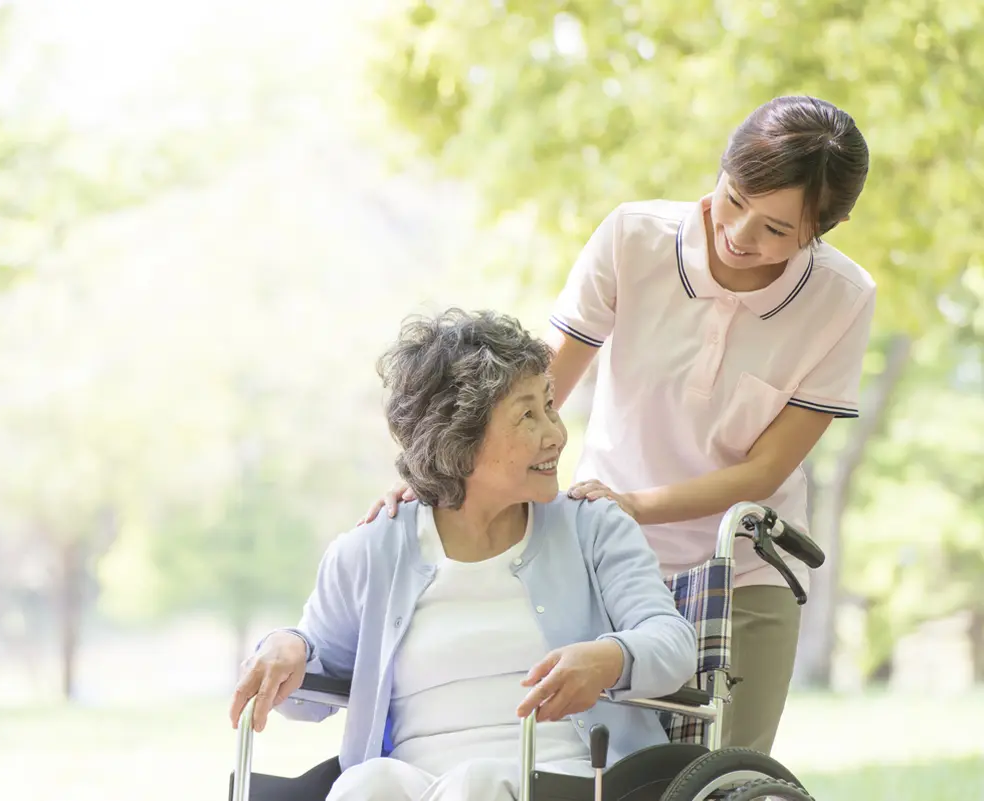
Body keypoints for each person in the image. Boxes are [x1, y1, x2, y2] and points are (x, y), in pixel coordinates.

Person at [360, 95, 875, 755]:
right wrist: (445, 473)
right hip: (603, 556)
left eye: (777, 229)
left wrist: (635, 504)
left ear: (821, 230)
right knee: (596, 764)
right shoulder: (635, 238)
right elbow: (537, 385)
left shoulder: (843, 298)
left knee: (729, 774)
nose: (741, 232)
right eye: (735, 196)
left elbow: (763, 470)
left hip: (744, 564)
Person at [230, 309, 696, 801]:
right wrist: (287, 645)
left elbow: (672, 643)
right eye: (527, 415)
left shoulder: (593, 526)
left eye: (550, 406)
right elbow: (307, 698)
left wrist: (610, 657)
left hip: (572, 779)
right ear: (460, 439)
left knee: (478, 783)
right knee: (366, 782)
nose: (555, 434)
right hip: (416, 784)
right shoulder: (372, 548)